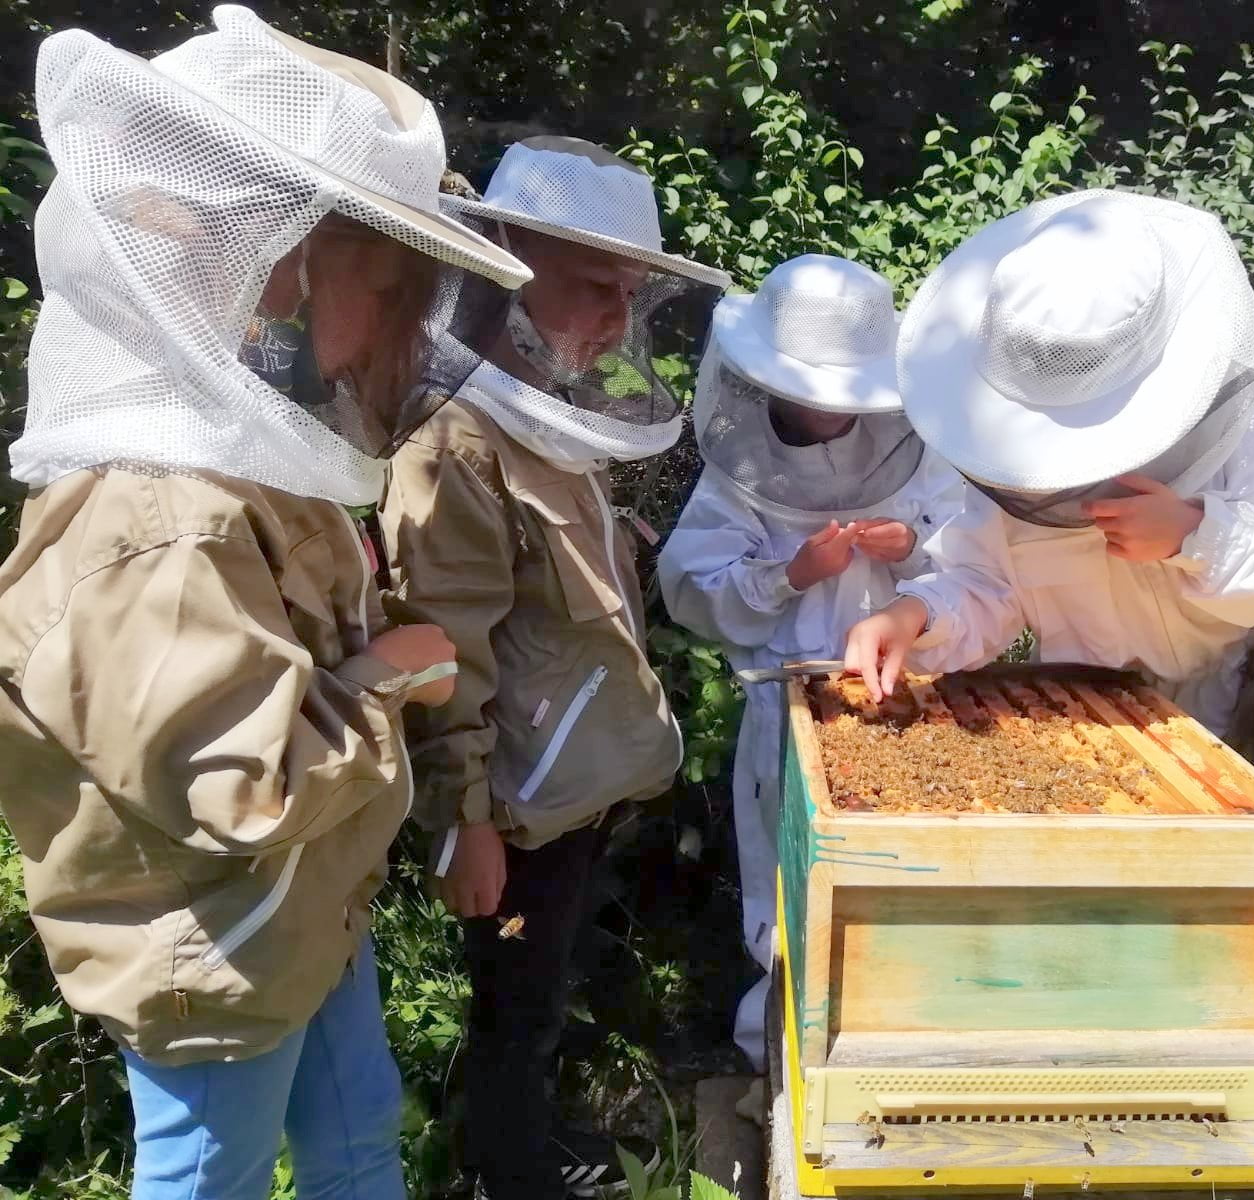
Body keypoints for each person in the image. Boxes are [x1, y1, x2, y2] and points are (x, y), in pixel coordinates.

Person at [0, 7, 531, 1200]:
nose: (393, 327)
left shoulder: (234, 463)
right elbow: (240, 789)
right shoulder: (158, 519)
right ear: (276, 257)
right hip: (213, 947)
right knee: (210, 1178)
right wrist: (389, 668)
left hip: (299, 917)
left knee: (355, 1145)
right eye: (385, 282)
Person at [378, 137, 730, 1200]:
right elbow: (444, 649)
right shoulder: (456, 442)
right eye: (594, 288)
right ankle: (508, 1169)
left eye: (631, 293)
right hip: (514, 807)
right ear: (505, 268)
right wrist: (463, 816)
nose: (618, 321)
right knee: (513, 995)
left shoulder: (552, 422)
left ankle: (508, 1134)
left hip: (570, 790)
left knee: (537, 987)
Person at [845, 191, 1254, 736]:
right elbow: (990, 582)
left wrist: (1195, 535)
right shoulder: (1008, 444)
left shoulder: (1240, 417)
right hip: (1078, 718)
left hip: (1218, 707)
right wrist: (916, 612)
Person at [658, 255, 967, 1069]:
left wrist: (911, 545)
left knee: (907, 890)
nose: (829, 413)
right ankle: (783, 1062)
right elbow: (690, 589)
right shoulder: (740, 468)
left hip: (907, 702)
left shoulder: (910, 447)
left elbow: (970, 560)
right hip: (786, 709)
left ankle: (902, 1047)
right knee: (788, 887)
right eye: (812, 396)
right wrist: (790, 574)